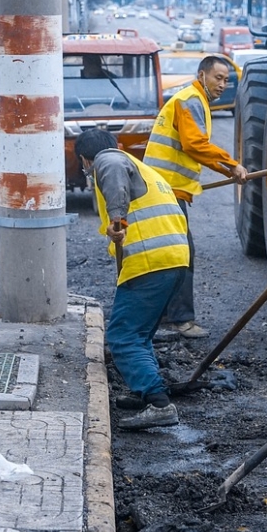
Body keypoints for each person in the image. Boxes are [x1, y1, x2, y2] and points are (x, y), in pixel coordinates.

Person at [76, 128, 190, 431]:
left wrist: (117, 221)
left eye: (85, 165)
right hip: (173, 259)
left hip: (149, 261)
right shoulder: (143, 169)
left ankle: (158, 403)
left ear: (86, 159)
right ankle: (144, 390)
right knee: (140, 335)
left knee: (123, 336)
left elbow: (110, 170)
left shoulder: (108, 161)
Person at [143, 55, 249, 338]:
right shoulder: (189, 99)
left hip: (165, 189)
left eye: (227, 80)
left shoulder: (194, 100)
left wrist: (227, 169)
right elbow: (195, 144)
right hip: (165, 190)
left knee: (171, 254)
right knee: (182, 254)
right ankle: (180, 320)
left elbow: (194, 147)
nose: (223, 84)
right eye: (218, 77)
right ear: (202, 75)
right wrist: (231, 165)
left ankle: (166, 317)